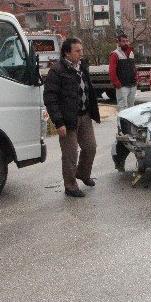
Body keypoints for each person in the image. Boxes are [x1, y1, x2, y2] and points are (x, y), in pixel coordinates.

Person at [43, 37, 100, 197]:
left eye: (81, 50)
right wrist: (59, 122)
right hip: (68, 120)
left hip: (85, 115)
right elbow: (50, 98)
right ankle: (70, 186)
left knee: (90, 147)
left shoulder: (82, 66)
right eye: (77, 51)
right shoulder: (57, 70)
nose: (81, 54)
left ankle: (82, 173)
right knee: (70, 154)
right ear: (67, 53)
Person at [108, 34, 138, 110]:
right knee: (122, 108)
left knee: (131, 108)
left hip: (132, 85)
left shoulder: (131, 53)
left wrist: (136, 79)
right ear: (119, 42)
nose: (125, 43)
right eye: (123, 41)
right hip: (122, 86)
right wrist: (118, 84)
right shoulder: (115, 54)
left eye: (127, 41)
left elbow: (133, 67)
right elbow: (112, 72)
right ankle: (121, 122)